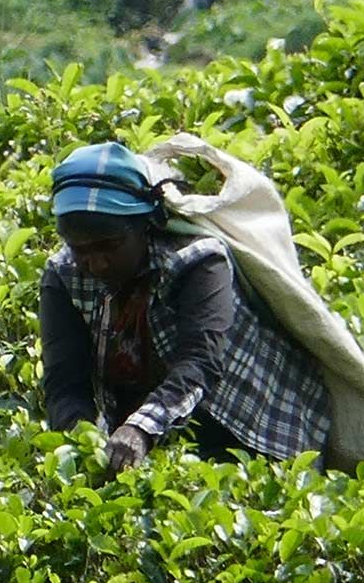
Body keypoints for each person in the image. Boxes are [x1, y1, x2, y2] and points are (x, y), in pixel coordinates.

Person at [39, 140, 332, 472]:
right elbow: (64, 382)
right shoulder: (63, 274)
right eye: (81, 249)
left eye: (110, 246)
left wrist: (139, 430)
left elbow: (201, 362)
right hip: (157, 431)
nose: (97, 264)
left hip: (252, 429)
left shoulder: (197, 260)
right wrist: (82, 442)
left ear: (143, 226)